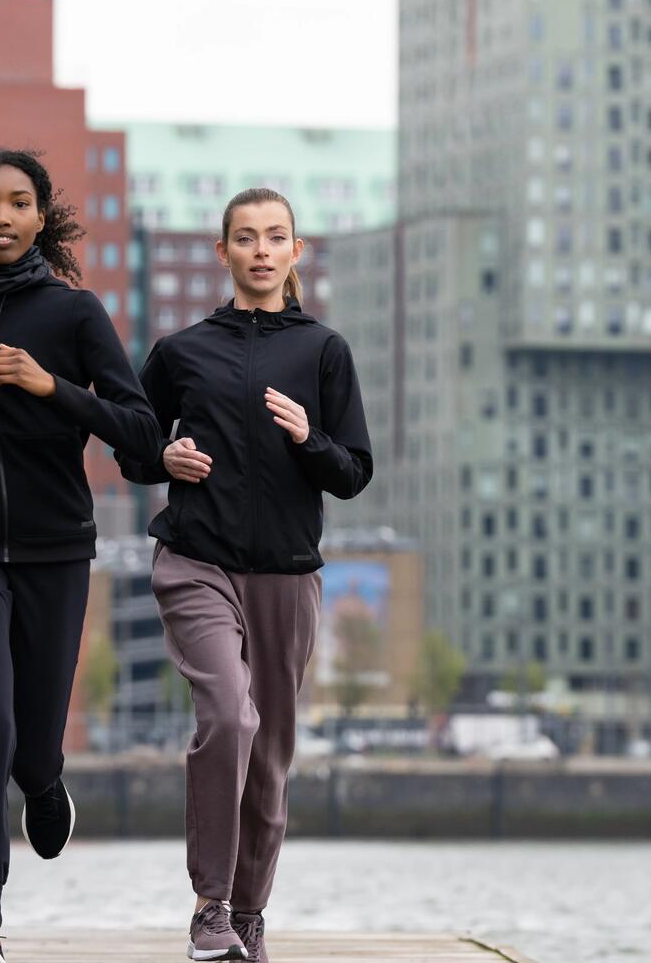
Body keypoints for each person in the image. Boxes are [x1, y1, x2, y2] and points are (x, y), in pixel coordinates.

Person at [0, 149, 162, 963]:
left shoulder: (76, 318)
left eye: (17, 203)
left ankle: (45, 784)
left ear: (41, 216)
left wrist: (52, 388)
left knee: (35, 741)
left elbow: (144, 435)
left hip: (54, 550)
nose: (1, 217)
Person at [117, 188, 373, 962]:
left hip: (288, 577)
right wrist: (161, 457)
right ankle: (211, 905)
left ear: (297, 252)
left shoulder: (324, 351)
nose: (261, 250)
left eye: (276, 237)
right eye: (245, 237)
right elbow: (131, 441)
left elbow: (354, 471)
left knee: (271, 756)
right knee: (230, 716)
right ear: (221, 251)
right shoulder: (181, 351)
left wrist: (308, 436)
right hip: (198, 561)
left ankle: (250, 915)